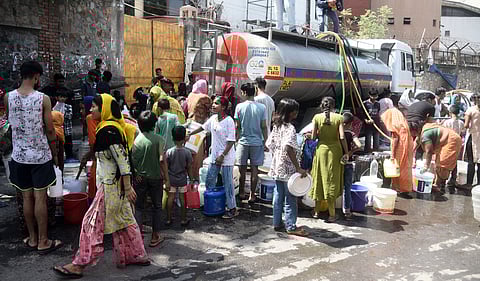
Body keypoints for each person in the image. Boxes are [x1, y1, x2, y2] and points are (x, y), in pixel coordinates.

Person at [54, 94, 149, 278]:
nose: (91, 110)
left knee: (91, 224)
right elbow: (111, 155)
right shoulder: (109, 128)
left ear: (104, 108)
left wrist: (128, 187)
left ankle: (80, 264)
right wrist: (90, 155)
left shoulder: (109, 130)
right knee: (125, 222)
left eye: (95, 107)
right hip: (115, 186)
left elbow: (122, 161)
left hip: (111, 187)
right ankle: (137, 255)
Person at [5, 61, 63, 254]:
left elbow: (10, 124)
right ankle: (43, 240)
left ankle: (32, 238)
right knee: (40, 198)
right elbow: (49, 130)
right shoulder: (43, 99)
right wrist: (54, 153)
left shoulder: (8, 97)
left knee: (26, 197)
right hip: (39, 156)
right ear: (36, 76)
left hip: (19, 157)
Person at [188, 96, 238, 219]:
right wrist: (189, 133)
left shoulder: (229, 121)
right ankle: (211, 203)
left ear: (224, 107)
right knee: (210, 180)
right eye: (213, 103)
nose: (213, 105)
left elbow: (231, 141)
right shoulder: (213, 118)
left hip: (226, 157)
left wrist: (223, 155)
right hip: (214, 156)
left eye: (217, 103)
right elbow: (203, 127)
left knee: (228, 183)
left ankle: (232, 208)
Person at [266, 98, 309, 236]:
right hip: (288, 167)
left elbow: (269, 145)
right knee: (290, 197)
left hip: (277, 165)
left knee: (278, 195)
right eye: (295, 110)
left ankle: (277, 223)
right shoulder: (290, 128)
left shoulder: (276, 126)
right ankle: (291, 226)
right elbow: (288, 148)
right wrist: (298, 168)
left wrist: (276, 157)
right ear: (291, 113)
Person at [132, 110, 170, 247]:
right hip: (156, 177)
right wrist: (167, 179)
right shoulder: (159, 139)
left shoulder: (137, 139)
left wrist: (136, 174)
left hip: (140, 178)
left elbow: (133, 160)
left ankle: (137, 238)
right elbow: (162, 160)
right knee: (157, 206)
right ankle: (155, 236)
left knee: (139, 207)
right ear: (154, 124)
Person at [407, 101, 462, 194]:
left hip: (452, 140)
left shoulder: (425, 134)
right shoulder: (422, 129)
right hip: (447, 139)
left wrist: (426, 166)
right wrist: (410, 153)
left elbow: (429, 151)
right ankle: (440, 183)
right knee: (439, 162)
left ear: (414, 130)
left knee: (443, 163)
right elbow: (416, 142)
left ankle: (438, 185)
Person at [309, 96, 349, 223]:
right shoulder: (339, 118)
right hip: (335, 152)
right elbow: (342, 137)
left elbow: (313, 136)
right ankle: (332, 214)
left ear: (322, 105)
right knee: (331, 180)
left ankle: (316, 211)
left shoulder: (317, 118)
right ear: (333, 105)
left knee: (319, 178)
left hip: (321, 150)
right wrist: (346, 152)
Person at [235, 83, 268, 203]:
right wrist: (265, 141)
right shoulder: (262, 108)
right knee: (255, 169)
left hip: (243, 142)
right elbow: (264, 126)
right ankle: (253, 195)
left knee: (241, 170)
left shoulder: (239, 107)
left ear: (244, 92)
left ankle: (242, 192)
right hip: (257, 142)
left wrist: (236, 139)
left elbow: (237, 126)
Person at [166, 126, 194, 226]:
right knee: (182, 199)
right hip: (182, 179)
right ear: (184, 139)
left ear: (172, 138)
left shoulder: (169, 152)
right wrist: (192, 180)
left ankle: (168, 219)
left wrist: (166, 179)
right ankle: (183, 219)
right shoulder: (187, 152)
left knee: (170, 198)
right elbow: (189, 167)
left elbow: (166, 166)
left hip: (171, 178)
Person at [381, 106, 414, 194]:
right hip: (407, 147)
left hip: (400, 148)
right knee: (406, 166)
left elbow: (395, 140)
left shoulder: (395, 125)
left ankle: (398, 188)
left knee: (397, 167)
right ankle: (405, 187)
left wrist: (392, 155)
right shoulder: (403, 124)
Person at [342, 112, 362, 219]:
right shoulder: (351, 134)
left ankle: (332, 210)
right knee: (347, 187)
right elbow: (359, 145)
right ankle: (347, 211)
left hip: (337, 163)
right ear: (350, 124)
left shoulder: (337, 133)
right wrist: (351, 152)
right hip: (348, 163)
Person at [53, 88, 76, 163]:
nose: (62, 98)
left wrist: (60, 114)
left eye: (64, 97)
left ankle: (69, 156)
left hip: (67, 129)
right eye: (61, 97)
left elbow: (69, 117)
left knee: (68, 143)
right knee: (58, 144)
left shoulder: (68, 107)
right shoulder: (53, 107)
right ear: (57, 97)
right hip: (57, 129)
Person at [464, 93, 480, 187]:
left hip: (473, 137)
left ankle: (469, 183)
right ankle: (478, 184)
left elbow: (466, 125)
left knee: (471, 162)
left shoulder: (470, 110)